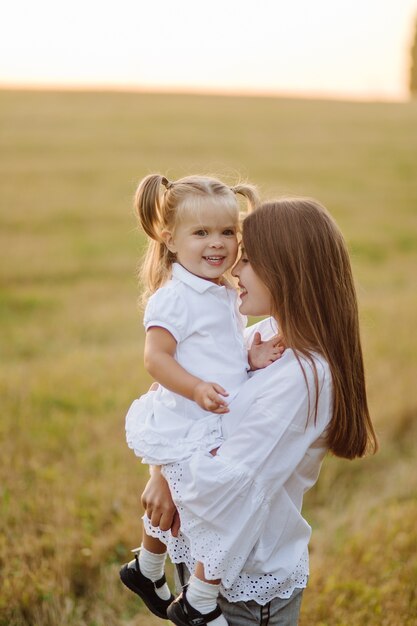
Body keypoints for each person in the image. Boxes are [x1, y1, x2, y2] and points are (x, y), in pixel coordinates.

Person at [139, 198, 378, 626]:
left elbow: (226, 483)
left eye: (247, 259)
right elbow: (173, 399)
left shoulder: (305, 376)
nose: (232, 270)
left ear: (285, 271)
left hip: (246, 590)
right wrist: (158, 470)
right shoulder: (266, 336)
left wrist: (170, 481)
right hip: (199, 556)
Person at [120, 174, 282, 623]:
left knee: (205, 499)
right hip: (188, 416)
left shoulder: (223, 291)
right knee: (219, 502)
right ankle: (199, 599)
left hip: (209, 413)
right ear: (170, 240)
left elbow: (217, 352)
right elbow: (156, 359)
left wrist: (249, 354)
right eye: (201, 233)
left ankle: (147, 568)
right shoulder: (174, 298)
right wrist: (194, 387)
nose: (218, 244)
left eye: (228, 232)